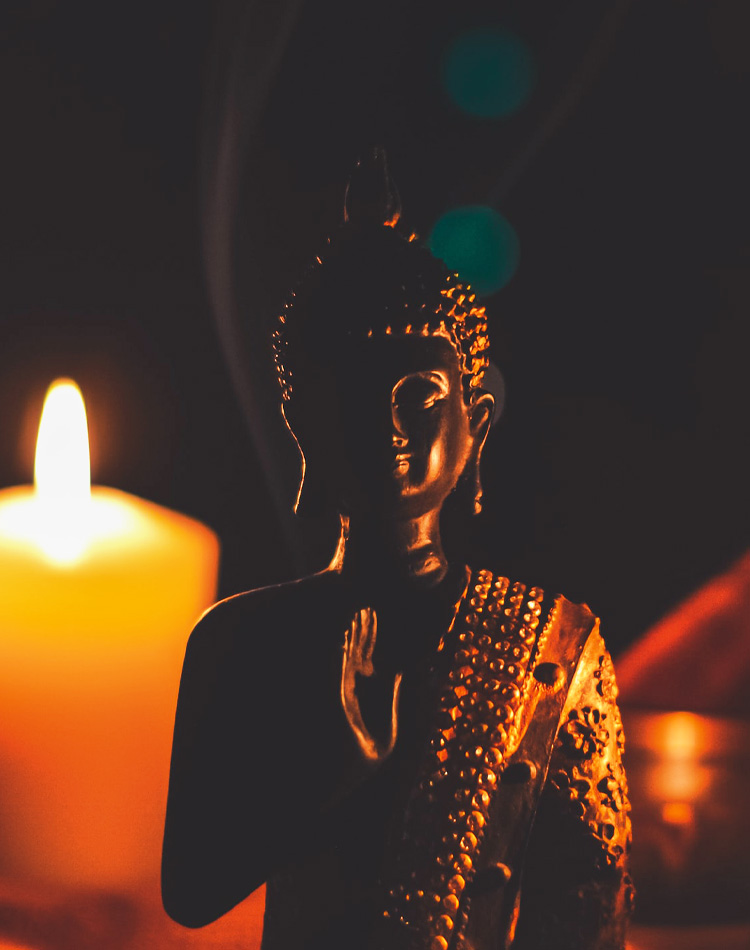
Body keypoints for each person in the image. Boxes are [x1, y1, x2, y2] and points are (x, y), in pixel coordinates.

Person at [162, 150, 634, 950]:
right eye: (352, 399)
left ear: (476, 424)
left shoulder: (552, 649)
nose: (389, 429)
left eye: (421, 397)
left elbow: (588, 910)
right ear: (302, 425)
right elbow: (191, 893)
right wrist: (335, 772)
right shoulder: (238, 639)